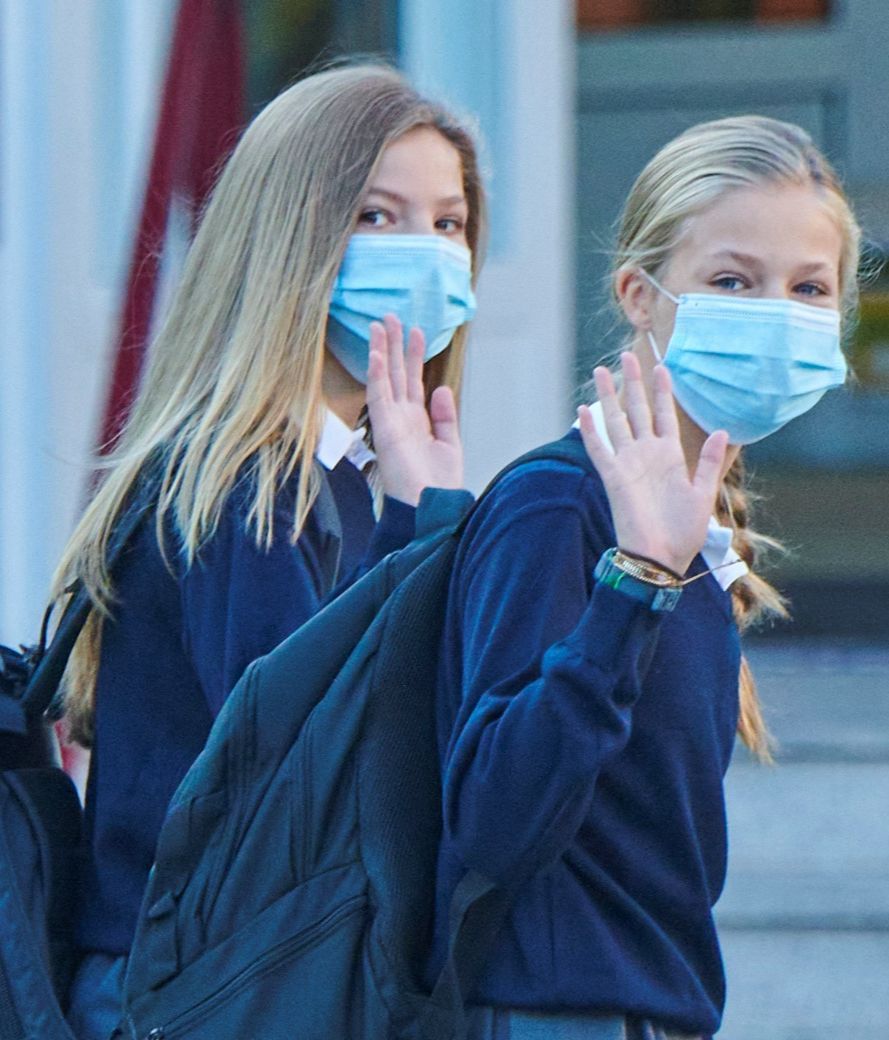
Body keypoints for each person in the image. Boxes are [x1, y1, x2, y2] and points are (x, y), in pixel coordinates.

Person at [50, 63, 486, 1039]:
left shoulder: (322, 474)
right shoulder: (248, 483)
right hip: (203, 989)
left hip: (219, 976)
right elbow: (318, 768)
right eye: (377, 216)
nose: (424, 251)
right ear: (288, 235)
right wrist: (423, 533)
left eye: (448, 223)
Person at [432, 115, 858, 1039]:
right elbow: (492, 818)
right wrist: (634, 584)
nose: (774, 312)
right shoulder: (559, 508)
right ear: (640, 294)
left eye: (808, 287)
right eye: (731, 281)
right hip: (553, 1012)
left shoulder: (691, 526)